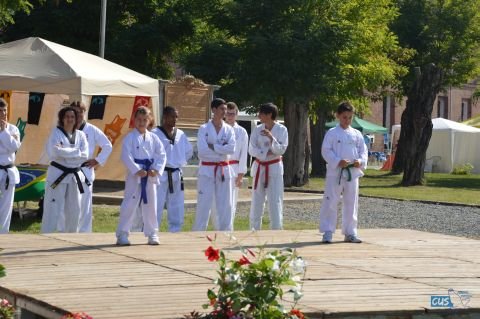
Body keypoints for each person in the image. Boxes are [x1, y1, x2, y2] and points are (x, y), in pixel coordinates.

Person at [115, 106, 166, 245]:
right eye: (139, 119)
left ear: (150, 121)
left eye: (145, 120)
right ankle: (123, 233)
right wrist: (137, 169)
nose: (142, 122)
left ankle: (152, 233)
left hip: (149, 175)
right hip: (135, 176)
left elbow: (161, 155)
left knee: (151, 204)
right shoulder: (129, 137)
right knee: (129, 203)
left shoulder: (154, 138)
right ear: (134, 120)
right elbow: (126, 155)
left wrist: (155, 169)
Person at [319, 101, 368, 244]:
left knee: (351, 202)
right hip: (336, 172)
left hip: (352, 173)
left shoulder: (357, 134)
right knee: (331, 201)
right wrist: (337, 160)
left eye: (349, 117)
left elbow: (363, 151)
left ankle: (350, 232)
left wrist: (360, 161)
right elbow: (326, 150)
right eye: (344, 117)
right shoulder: (332, 133)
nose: (347, 120)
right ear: (338, 116)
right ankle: (328, 232)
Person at [41, 107, 89, 233]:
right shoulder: (55, 133)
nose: (70, 119)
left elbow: (85, 155)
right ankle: (46, 235)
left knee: (75, 208)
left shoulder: (81, 135)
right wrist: (76, 152)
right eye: (67, 117)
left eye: (72, 117)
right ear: (62, 119)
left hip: (74, 176)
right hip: (58, 175)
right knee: (52, 207)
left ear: (76, 119)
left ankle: (72, 236)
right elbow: (55, 152)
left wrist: (65, 152)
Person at [193, 98, 235, 231]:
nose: (225, 112)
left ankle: (226, 231)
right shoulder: (204, 128)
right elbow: (202, 151)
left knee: (225, 203)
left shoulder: (229, 129)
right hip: (207, 169)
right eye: (222, 109)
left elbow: (231, 149)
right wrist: (220, 149)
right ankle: (198, 232)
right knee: (204, 202)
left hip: (223, 168)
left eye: (226, 109)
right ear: (214, 110)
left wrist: (213, 146)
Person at [70, 101, 112, 232]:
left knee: (85, 203)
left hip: (85, 169)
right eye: (75, 112)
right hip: (69, 169)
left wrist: (97, 160)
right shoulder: (66, 128)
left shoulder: (91, 129)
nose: (78, 115)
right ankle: (69, 231)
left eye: (81, 112)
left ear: (84, 113)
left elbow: (107, 145)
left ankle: (85, 232)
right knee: (70, 202)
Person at [151, 106, 193, 232]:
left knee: (177, 204)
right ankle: (153, 229)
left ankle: (175, 229)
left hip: (176, 172)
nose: (175, 119)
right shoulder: (154, 134)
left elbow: (189, 151)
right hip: (160, 173)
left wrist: (179, 161)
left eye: (176, 117)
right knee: (156, 203)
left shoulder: (180, 134)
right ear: (164, 117)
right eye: (172, 116)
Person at [249, 102, 288, 230]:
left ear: (269, 114)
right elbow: (251, 149)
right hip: (259, 167)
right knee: (256, 201)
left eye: (261, 113)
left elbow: (281, 150)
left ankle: (276, 230)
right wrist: (265, 152)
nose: (259, 115)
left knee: (275, 201)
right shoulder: (257, 129)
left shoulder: (282, 130)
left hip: (274, 168)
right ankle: (254, 230)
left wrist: (272, 138)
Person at [224, 102, 248, 221]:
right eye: (228, 113)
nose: (230, 116)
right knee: (219, 199)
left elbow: (244, 154)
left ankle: (229, 227)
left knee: (232, 200)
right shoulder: (220, 128)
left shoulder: (242, 131)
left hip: (234, 166)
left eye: (232, 114)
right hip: (221, 166)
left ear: (237, 114)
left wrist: (241, 174)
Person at [0, 98, 21, 234]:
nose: (3, 113)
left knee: (7, 204)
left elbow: (14, 147)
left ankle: (3, 233)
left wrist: (3, 132)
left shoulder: (13, 129)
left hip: (8, 169)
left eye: (5, 110)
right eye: (0, 111)